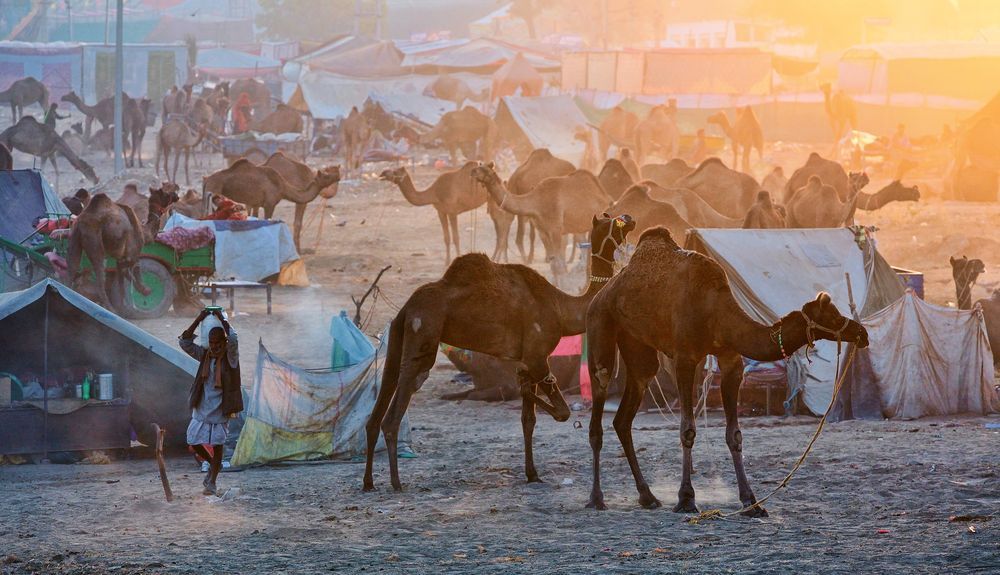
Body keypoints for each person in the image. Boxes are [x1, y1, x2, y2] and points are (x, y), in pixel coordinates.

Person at [179, 308, 243, 496]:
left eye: (218, 343)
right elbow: (185, 342)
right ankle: (213, 464)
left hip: (221, 408)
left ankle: (212, 480)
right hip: (202, 406)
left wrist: (222, 319)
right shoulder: (204, 355)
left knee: (218, 445)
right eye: (211, 343)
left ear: (223, 342)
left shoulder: (231, 357)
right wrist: (198, 318)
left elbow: (234, 339)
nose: (214, 347)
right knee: (192, 441)